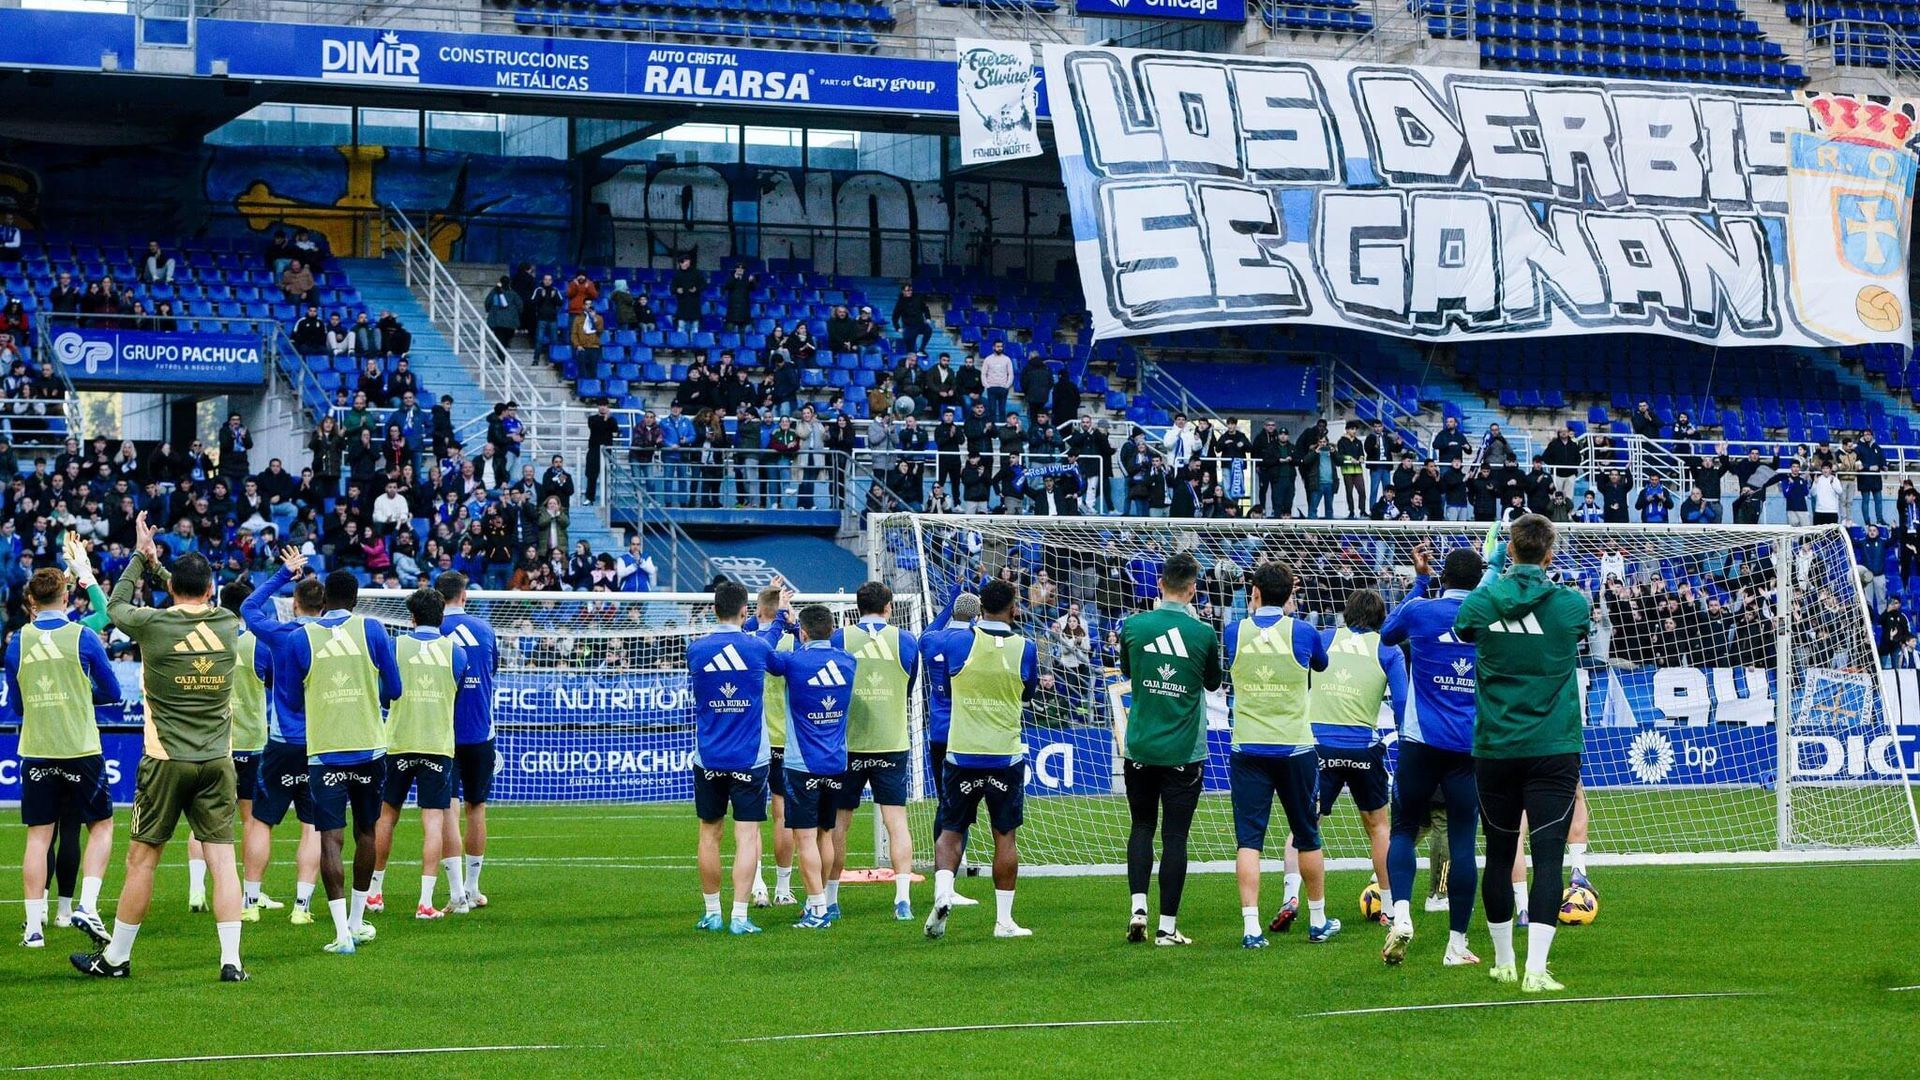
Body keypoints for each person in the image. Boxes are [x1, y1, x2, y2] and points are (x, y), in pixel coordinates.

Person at [77, 517, 248, 981]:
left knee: (143, 859)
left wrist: (140, 556)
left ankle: (116, 958)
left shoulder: (153, 625)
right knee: (222, 862)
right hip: (217, 759)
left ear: (174, 590)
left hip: (166, 759)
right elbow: (188, 596)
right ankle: (231, 961)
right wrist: (159, 567)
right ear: (211, 587)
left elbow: (113, 607)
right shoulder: (229, 624)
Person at [1454, 514, 1591, 993]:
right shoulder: (1573, 605)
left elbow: (1463, 622)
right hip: (1553, 745)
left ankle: (1503, 961)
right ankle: (1536, 968)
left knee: (1497, 853)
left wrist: (1494, 571)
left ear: (1508, 550)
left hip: (1497, 746)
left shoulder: (1486, 597)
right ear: (1550, 554)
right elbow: (1575, 623)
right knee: (1549, 857)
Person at [247, 553, 402, 955]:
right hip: (369, 745)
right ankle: (356, 920)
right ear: (355, 599)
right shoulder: (373, 629)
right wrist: (370, 696)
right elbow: (395, 689)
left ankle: (341, 933)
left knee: (328, 836)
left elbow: (290, 697)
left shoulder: (300, 638)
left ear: (324, 599)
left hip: (324, 750)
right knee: (366, 830)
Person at [1378, 542, 1485, 969]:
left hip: (1419, 742)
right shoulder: (1488, 618)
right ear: (1478, 582)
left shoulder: (1421, 610)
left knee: (1403, 829)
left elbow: (1387, 634)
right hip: (1467, 746)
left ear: (1444, 578)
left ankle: (1401, 914)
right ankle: (1456, 945)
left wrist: (1419, 580)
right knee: (1462, 842)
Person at [6, 568, 120, 949]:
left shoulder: (16, 642)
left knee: (39, 837)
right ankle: (85, 905)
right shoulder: (83, 636)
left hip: (36, 748)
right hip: (80, 747)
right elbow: (113, 691)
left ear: (32, 602)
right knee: (100, 826)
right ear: (67, 598)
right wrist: (81, 697)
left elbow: (18, 703)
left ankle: (33, 929)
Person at [1222, 562, 1334, 950]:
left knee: (1249, 841)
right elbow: (1321, 663)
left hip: (1248, 746)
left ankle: (1251, 927)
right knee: (1307, 834)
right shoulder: (1302, 631)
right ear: (1291, 594)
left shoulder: (1233, 632)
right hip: (1294, 747)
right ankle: (1318, 920)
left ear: (1253, 591)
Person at [1117, 553, 1223, 946]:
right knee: (1175, 837)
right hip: (1183, 752)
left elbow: (1128, 671)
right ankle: (1166, 927)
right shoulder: (1203, 634)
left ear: (1160, 585)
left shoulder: (1135, 626)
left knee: (1141, 826)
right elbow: (1212, 683)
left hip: (1141, 747)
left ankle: (1138, 907)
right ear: (1193, 589)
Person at [1286, 588, 1406, 934]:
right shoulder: (1388, 649)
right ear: (1381, 619)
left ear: (1345, 614)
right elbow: (1401, 704)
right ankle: (1388, 907)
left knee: (1305, 825)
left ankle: (1291, 897)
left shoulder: (1323, 636)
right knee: (1379, 827)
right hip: (1362, 747)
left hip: (1319, 745)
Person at [923, 578, 1037, 940]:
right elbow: (1029, 692)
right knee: (1005, 836)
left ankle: (943, 891)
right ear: (1014, 608)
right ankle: (1003, 921)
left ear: (980, 608)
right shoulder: (1026, 647)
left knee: (952, 829)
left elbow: (928, 641)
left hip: (962, 754)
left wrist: (953, 606)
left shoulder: (957, 641)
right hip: (1004, 754)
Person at [687, 580, 785, 935]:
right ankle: (740, 917)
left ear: (714, 610)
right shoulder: (755, 648)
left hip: (710, 757)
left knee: (709, 834)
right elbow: (773, 658)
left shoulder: (696, 649)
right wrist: (779, 617)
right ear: (745, 611)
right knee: (746, 836)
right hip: (750, 758)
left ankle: (712, 912)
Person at [371, 587, 470, 921]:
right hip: (437, 745)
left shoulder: (395, 646)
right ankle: (425, 902)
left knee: (386, 817)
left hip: (398, 741)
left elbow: (385, 693)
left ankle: (374, 892)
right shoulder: (456, 652)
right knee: (434, 822)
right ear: (441, 617)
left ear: (411, 618)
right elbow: (455, 691)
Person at [237, 564, 325, 925]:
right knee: (313, 826)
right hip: (320, 745)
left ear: (294, 604)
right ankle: (301, 908)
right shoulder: (333, 637)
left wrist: (281, 575)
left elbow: (247, 608)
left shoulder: (279, 634)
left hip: (280, 742)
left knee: (261, 821)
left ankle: (251, 903)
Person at [830, 582, 920, 921]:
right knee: (896, 821)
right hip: (891, 741)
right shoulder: (906, 641)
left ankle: (831, 899)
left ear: (857, 607)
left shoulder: (841, 638)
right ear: (889, 607)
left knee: (839, 824)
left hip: (849, 744)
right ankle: (902, 901)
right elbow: (909, 686)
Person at [763, 602, 854, 930]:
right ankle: (826, 901)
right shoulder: (848, 661)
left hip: (802, 764)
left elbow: (764, 652)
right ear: (831, 630)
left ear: (802, 632)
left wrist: (780, 623)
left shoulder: (793, 662)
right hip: (836, 762)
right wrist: (798, 628)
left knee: (804, 839)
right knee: (825, 835)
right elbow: (828, 638)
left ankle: (816, 911)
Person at [437, 571, 497, 910]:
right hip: (479, 732)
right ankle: (473, 888)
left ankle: (457, 892)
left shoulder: (433, 631)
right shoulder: (485, 629)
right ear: (465, 595)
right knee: (477, 808)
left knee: (448, 810)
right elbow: (493, 669)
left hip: (444, 734)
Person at [747, 585, 797, 906]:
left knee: (750, 818)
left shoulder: (745, 642)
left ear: (755, 612)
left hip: (752, 740)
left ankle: (757, 886)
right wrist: (790, 621)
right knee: (782, 814)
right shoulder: (794, 643)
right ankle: (782, 889)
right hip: (785, 740)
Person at [585, 401, 621, 506]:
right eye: (600, 405)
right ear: (598, 406)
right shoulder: (592, 419)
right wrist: (605, 419)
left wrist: (608, 419)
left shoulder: (612, 420)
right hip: (594, 450)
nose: (603, 407)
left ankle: (608, 499)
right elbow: (596, 428)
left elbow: (615, 430)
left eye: (605, 405)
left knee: (607, 476)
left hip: (606, 451)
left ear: (607, 407)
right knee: (591, 475)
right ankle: (589, 498)